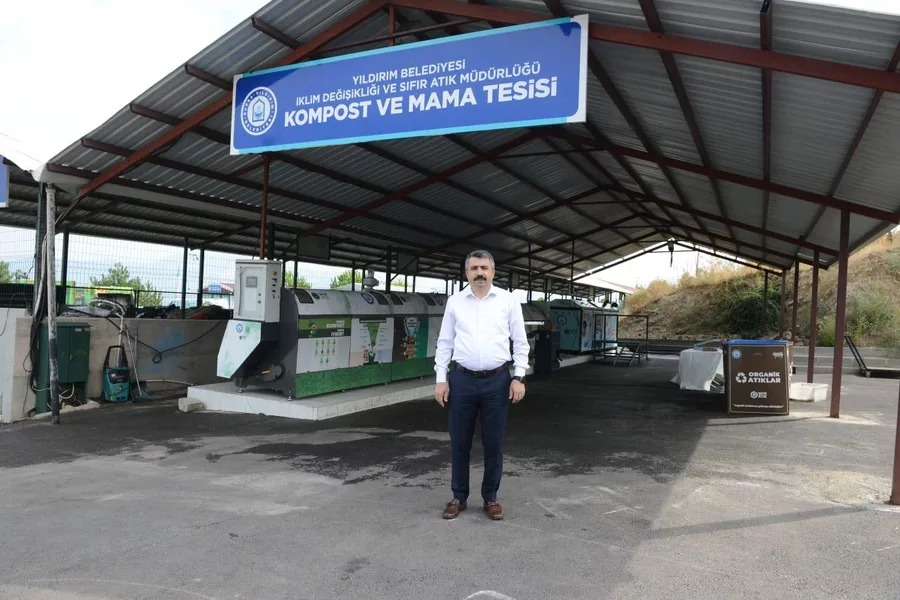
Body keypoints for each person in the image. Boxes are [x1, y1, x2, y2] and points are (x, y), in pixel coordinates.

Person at [433, 249, 529, 521]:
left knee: (493, 442)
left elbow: (520, 342)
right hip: (462, 380)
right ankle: (459, 497)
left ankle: (491, 498)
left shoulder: (508, 301)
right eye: (474, 268)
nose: (479, 273)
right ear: (466, 273)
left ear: (493, 272)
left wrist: (519, 377)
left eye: (484, 268)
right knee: (459, 441)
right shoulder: (455, 302)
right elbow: (445, 343)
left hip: (497, 381)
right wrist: (441, 379)